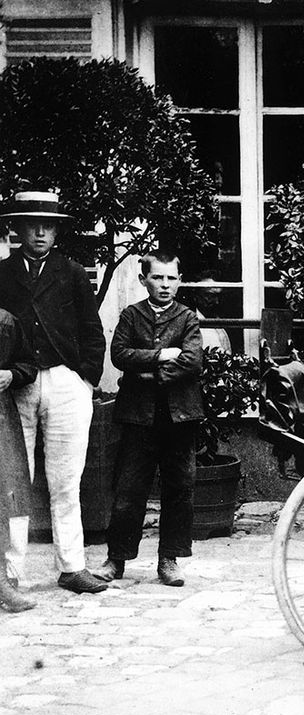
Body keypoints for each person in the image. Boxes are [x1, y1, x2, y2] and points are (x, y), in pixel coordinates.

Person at [0, 191, 107, 594]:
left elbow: (91, 331)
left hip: (66, 382)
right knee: (13, 481)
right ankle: (11, 571)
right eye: (31, 224)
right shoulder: (3, 274)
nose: (40, 232)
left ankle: (72, 567)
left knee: (66, 481)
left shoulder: (73, 273)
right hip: (15, 385)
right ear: (18, 229)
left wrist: (86, 378)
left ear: (57, 230)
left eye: (47, 225)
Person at [94, 252, 203, 587]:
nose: (165, 285)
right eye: (157, 278)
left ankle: (169, 559)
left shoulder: (187, 318)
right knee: (128, 488)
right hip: (137, 416)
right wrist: (160, 356)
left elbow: (193, 361)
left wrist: (150, 374)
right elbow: (120, 355)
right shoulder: (131, 315)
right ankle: (116, 559)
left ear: (180, 280)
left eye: (171, 278)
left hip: (179, 416)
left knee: (179, 488)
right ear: (144, 280)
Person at [0, 306, 37, 612]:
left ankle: (1, 583)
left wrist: (11, 374)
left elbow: (28, 365)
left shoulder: (5, 322)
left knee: (1, 498)